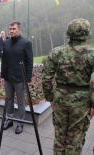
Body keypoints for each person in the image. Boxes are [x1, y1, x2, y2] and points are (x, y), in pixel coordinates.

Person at [42, 18, 94, 155]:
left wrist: (50, 98)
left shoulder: (57, 52)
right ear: (86, 33)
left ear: (69, 33)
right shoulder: (92, 54)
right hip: (81, 103)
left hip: (60, 99)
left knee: (59, 137)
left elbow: (46, 78)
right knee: (75, 138)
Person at [1, 21, 33, 134]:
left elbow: (29, 62)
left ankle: (20, 123)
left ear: (19, 29)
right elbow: (4, 61)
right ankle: (9, 119)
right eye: (10, 29)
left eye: (14, 29)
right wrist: (2, 75)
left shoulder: (26, 43)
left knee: (20, 102)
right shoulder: (6, 43)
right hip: (8, 78)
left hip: (20, 78)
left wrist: (28, 78)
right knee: (9, 100)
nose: (11, 31)